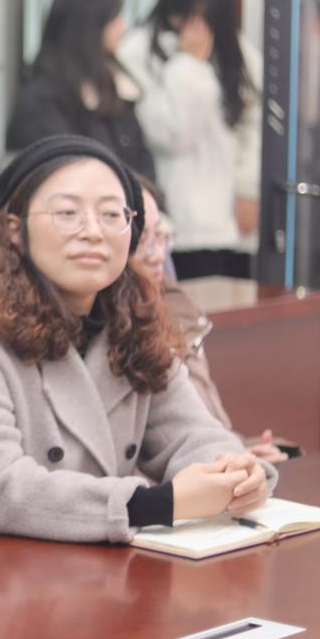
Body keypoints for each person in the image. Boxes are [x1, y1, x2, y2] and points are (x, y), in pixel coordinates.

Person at [0, 134, 276, 551]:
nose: (92, 231)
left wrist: (234, 473)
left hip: (81, 555)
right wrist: (156, 505)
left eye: (111, 214)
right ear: (15, 229)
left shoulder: (135, 323)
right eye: (67, 213)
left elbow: (191, 434)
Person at [117, 0, 261, 279]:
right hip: (175, 218)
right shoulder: (137, 51)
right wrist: (189, 65)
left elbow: (254, 128)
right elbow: (171, 134)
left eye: (205, 16)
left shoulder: (238, 53)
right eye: (188, 13)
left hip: (230, 222)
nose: (194, 25)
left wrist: (249, 190)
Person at [129, 179, 291, 465]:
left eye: (162, 237)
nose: (158, 255)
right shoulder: (115, 330)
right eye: (143, 241)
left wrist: (240, 451)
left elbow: (203, 426)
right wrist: (228, 457)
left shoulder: (177, 306)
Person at [6, 0, 156, 180]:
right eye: (115, 18)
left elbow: (143, 161)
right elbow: (62, 171)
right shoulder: (42, 98)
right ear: (88, 26)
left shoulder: (112, 85)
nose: (123, 27)